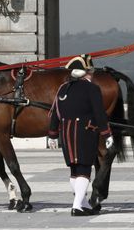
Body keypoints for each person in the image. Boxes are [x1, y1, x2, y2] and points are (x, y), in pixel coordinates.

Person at [47, 55, 112, 216]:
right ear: (86, 72)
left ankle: (84, 204)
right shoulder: (92, 89)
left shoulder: (63, 88)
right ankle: (77, 206)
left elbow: (55, 113)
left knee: (74, 170)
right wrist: (107, 133)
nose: (92, 74)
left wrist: (53, 134)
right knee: (84, 169)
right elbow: (99, 113)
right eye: (90, 71)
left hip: (66, 133)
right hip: (85, 132)